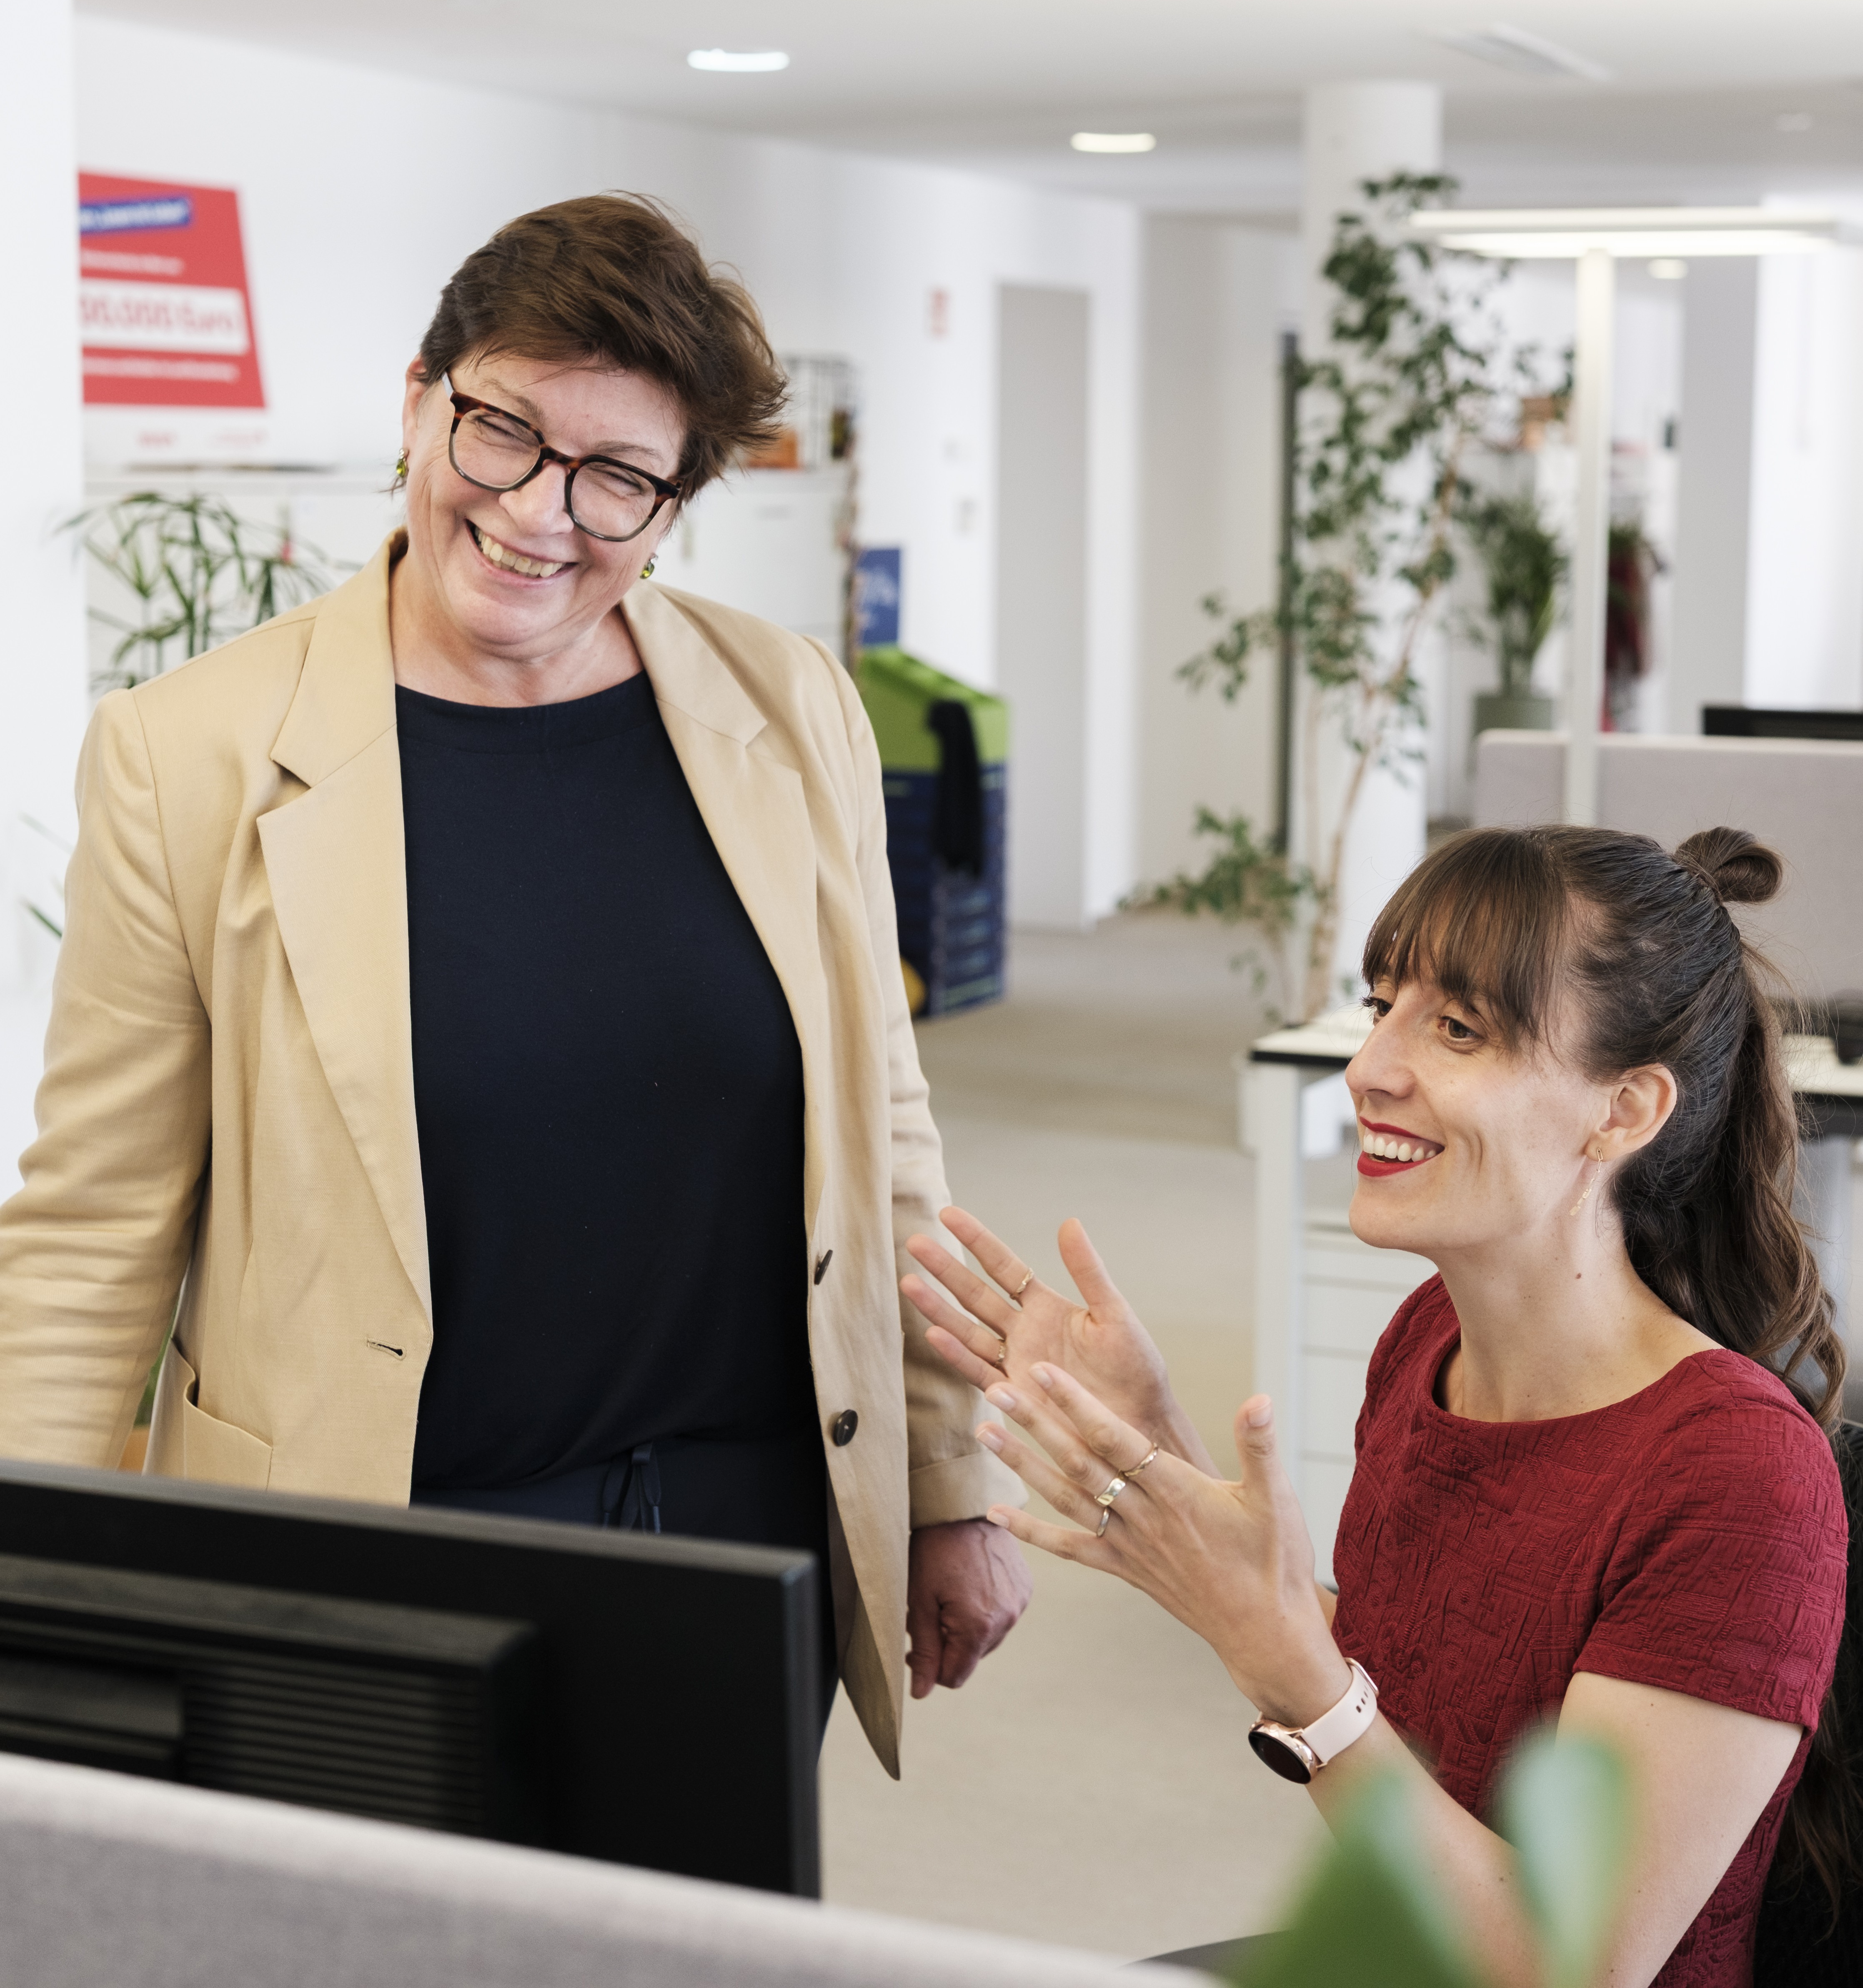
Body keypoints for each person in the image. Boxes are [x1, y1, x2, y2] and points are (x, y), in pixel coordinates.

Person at [0, 192, 1027, 1771]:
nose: (544, 512)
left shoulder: (789, 703)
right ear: (420, 398)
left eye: (619, 475)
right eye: (505, 433)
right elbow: (91, 1233)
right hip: (383, 1524)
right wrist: (39, 1596)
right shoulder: (189, 755)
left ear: (675, 502)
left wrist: (946, 1478)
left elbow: (886, 1132)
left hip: (742, 1519)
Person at [902, 825, 1851, 1985]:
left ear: (1626, 1113)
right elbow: (1414, 1671)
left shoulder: (1738, 1476)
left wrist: (1297, 1682)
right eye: (1381, 1006)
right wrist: (1161, 1460)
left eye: (1457, 1030)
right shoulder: (1429, 1343)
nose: (1369, 1068)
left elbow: (1569, 1965)